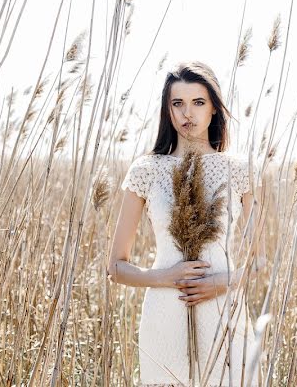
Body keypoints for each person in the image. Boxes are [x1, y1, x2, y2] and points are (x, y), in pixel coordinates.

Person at [107, 61, 262, 386]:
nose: (187, 113)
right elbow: (116, 267)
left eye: (198, 102)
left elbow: (259, 263)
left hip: (224, 311)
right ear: (167, 110)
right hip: (165, 311)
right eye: (177, 103)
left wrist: (224, 282)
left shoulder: (239, 169)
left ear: (215, 110)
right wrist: (166, 277)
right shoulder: (146, 169)